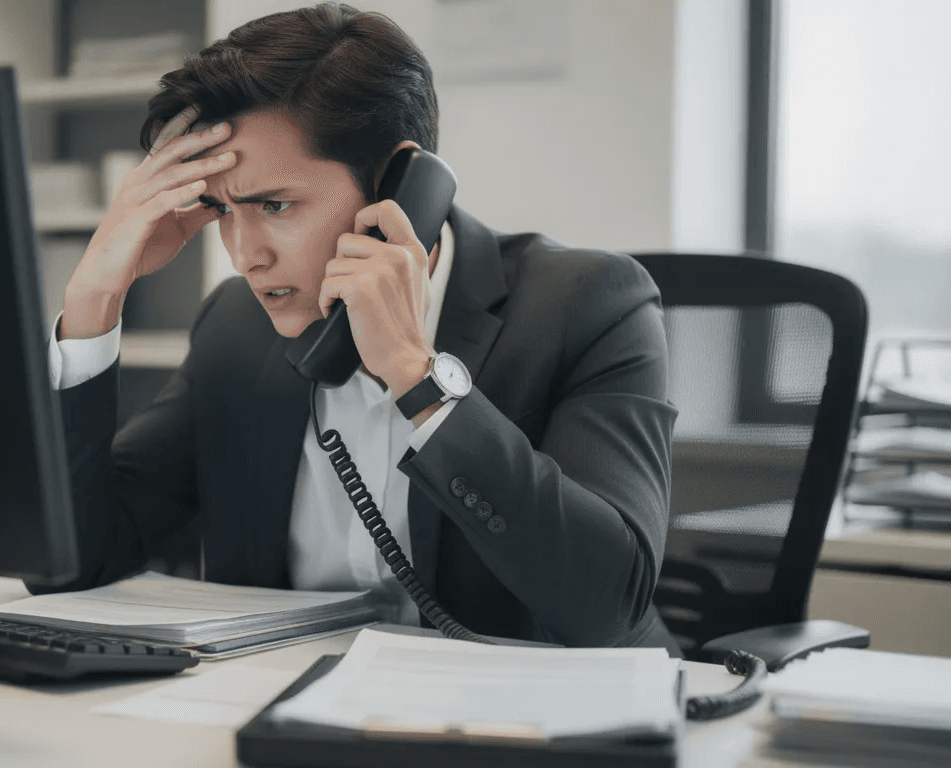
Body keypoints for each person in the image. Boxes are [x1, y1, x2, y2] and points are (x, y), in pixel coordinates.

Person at [47, 2, 680, 653]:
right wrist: (96, 294)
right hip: (277, 720)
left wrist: (417, 373)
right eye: (221, 210)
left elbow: (609, 605)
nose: (245, 255)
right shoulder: (236, 325)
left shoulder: (590, 305)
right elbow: (73, 564)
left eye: (274, 205)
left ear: (398, 186)